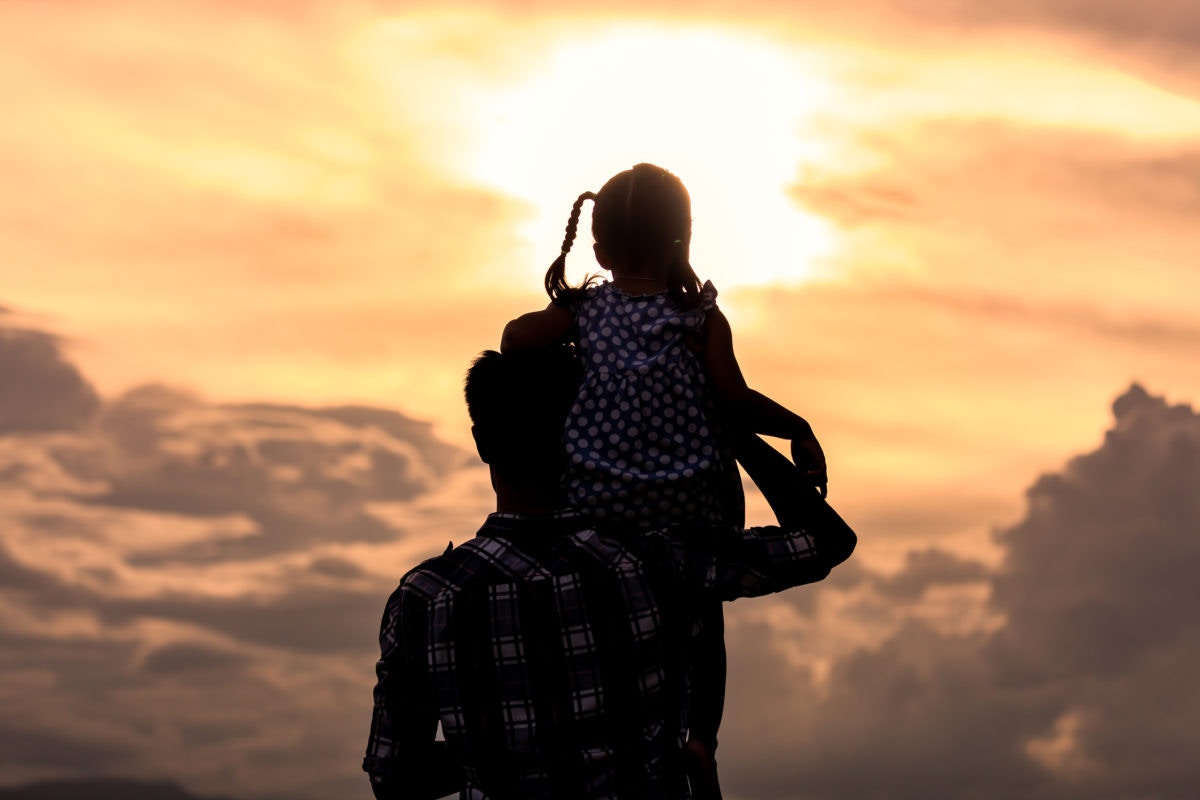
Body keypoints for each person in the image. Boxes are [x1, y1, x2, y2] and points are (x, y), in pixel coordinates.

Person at [363, 348, 856, 799]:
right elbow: (826, 541)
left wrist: (505, 750)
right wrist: (729, 424)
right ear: (580, 431)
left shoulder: (425, 600)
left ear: (481, 443)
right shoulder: (657, 564)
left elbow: (393, 776)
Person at [500, 163, 828, 781]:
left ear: (598, 247)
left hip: (597, 511)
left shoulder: (588, 313)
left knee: (609, 634)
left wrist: (571, 329)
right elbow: (735, 400)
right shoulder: (702, 319)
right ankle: (700, 739)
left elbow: (516, 339)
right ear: (684, 239)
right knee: (703, 630)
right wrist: (798, 428)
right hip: (690, 513)